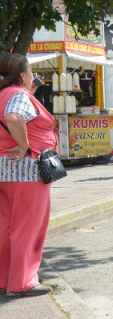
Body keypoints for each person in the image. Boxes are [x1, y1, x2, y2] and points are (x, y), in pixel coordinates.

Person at [0, 53, 58, 298]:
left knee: (6, 226)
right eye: (31, 72)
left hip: (4, 169)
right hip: (26, 170)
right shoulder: (18, 95)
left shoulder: (3, 94)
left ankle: (5, 279)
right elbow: (13, 117)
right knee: (28, 227)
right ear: (22, 75)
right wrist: (24, 144)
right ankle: (23, 281)